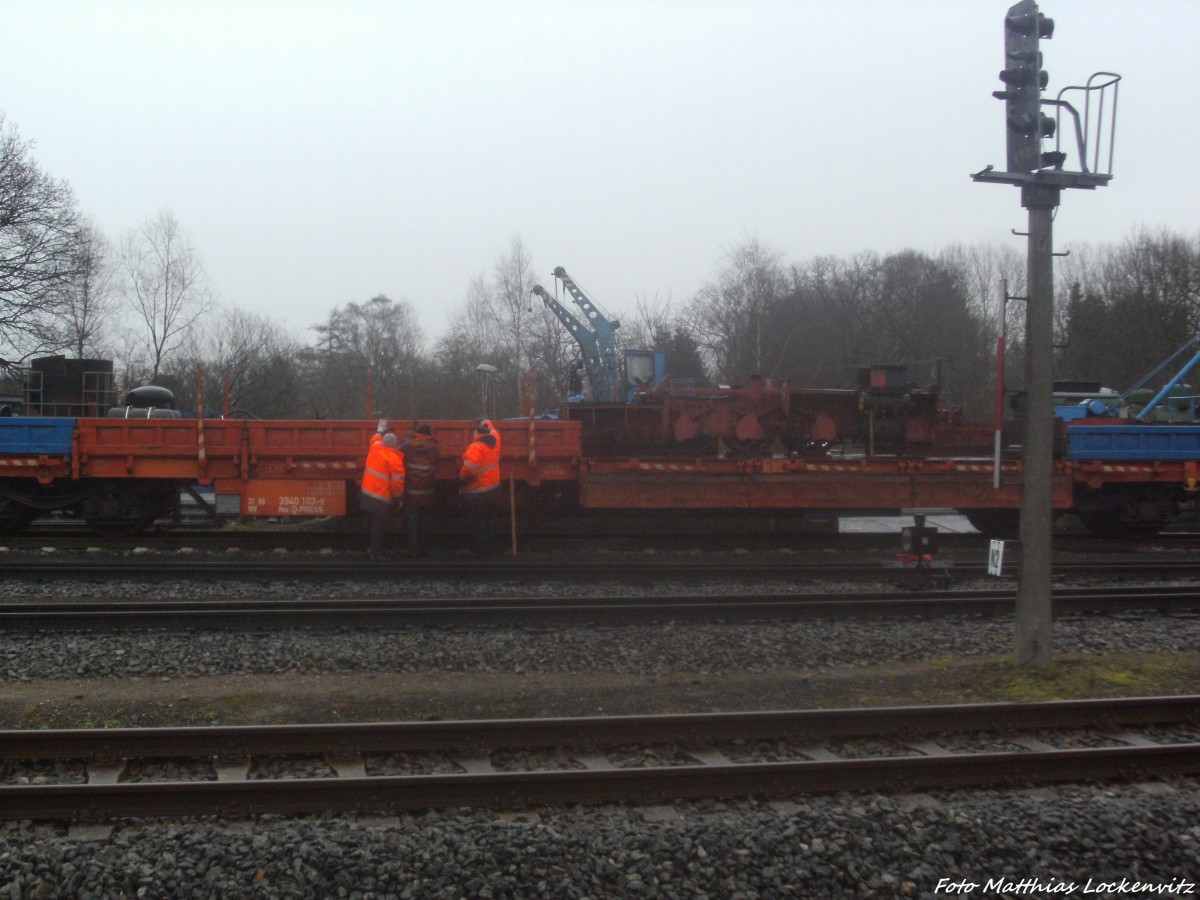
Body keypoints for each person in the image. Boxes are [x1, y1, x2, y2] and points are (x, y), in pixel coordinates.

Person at [360, 418, 405, 560]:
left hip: (366, 494)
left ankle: (369, 549)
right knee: (379, 526)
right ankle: (376, 554)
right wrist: (398, 498)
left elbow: (375, 438)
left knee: (371, 524)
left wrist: (380, 429)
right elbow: (397, 483)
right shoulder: (394, 458)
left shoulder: (375, 448)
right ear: (394, 444)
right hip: (380, 497)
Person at [458, 422, 500, 557]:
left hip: (479, 492)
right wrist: (488, 422)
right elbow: (495, 433)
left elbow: (470, 468)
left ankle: (481, 551)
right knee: (489, 521)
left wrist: (461, 477)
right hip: (493, 490)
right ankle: (490, 549)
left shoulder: (476, 447)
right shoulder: (494, 444)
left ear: (477, 434)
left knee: (478, 522)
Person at [399, 422, 439, 558]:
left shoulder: (409, 445)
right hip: (427, 491)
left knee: (412, 522)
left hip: (411, 491)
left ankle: (413, 552)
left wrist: (409, 434)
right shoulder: (433, 446)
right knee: (424, 522)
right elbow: (437, 456)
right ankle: (424, 550)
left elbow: (400, 448)